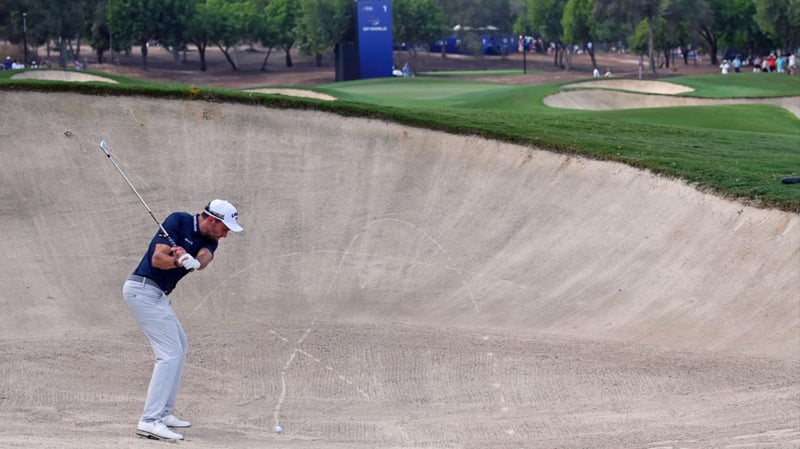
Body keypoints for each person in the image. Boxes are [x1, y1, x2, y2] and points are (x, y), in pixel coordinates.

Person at [123, 199, 243, 441]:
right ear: (212, 220)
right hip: (142, 290)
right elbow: (157, 258)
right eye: (225, 228)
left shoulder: (211, 239)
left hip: (157, 295)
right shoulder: (178, 221)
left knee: (180, 347)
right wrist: (177, 261)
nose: (226, 235)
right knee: (169, 353)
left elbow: (205, 258)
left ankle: (164, 413)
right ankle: (149, 421)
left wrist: (195, 261)